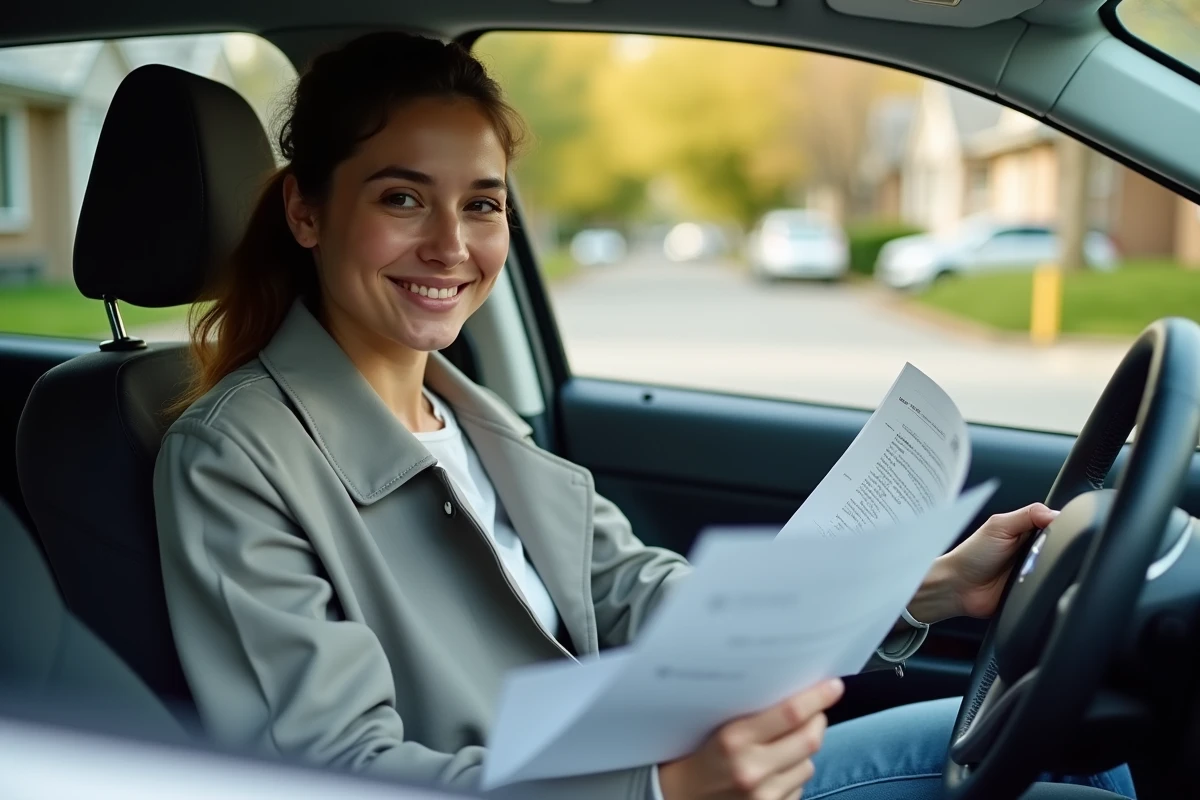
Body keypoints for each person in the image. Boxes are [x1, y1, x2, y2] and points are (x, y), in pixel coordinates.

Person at [153, 32, 1135, 800]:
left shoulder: (466, 407)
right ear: (306, 211)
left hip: (656, 767)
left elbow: (637, 592)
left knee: (1086, 742)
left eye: (483, 204)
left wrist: (926, 583)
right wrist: (659, 786)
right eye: (403, 197)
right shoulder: (235, 457)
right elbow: (335, 770)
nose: (452, 244)